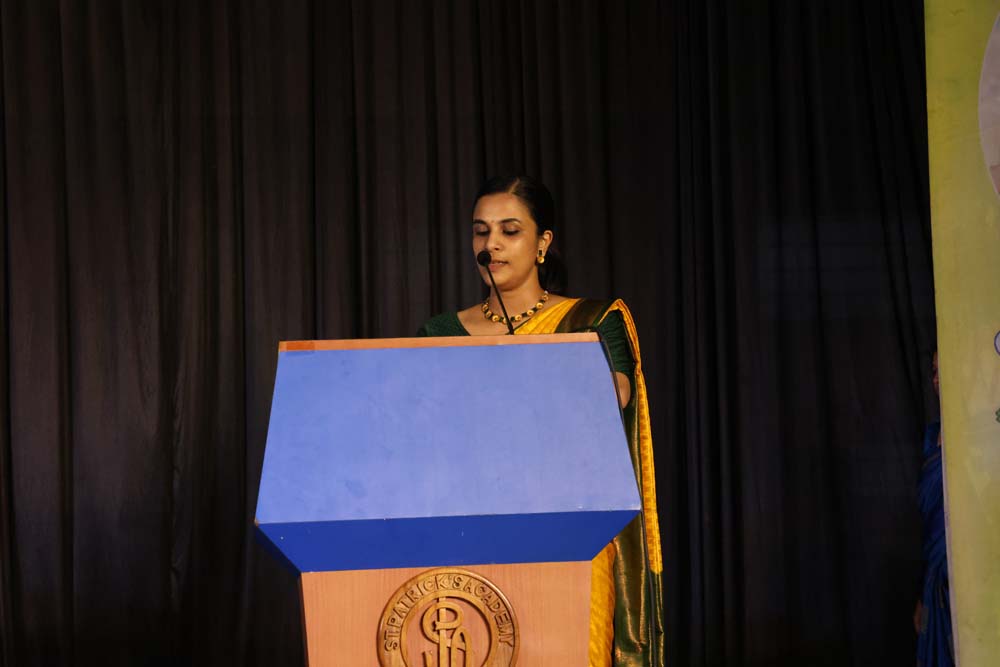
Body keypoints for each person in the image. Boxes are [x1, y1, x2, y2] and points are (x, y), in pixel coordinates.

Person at [417, 175, 665, 667]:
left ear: (542, 243)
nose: (491, 244)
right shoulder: (441, 331)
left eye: (509, 231)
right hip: (471, 532)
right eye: (481, 231)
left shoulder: (592, 321)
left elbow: (614, 395)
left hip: (573, 532)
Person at [914, 351, 953, 666]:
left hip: (970, 581)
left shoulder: (981, 437)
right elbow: (930, 527)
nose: (936, 379)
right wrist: (921, 593)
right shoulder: (931, 437)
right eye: (934, 370)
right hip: (933, 580)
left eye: (944, 370)